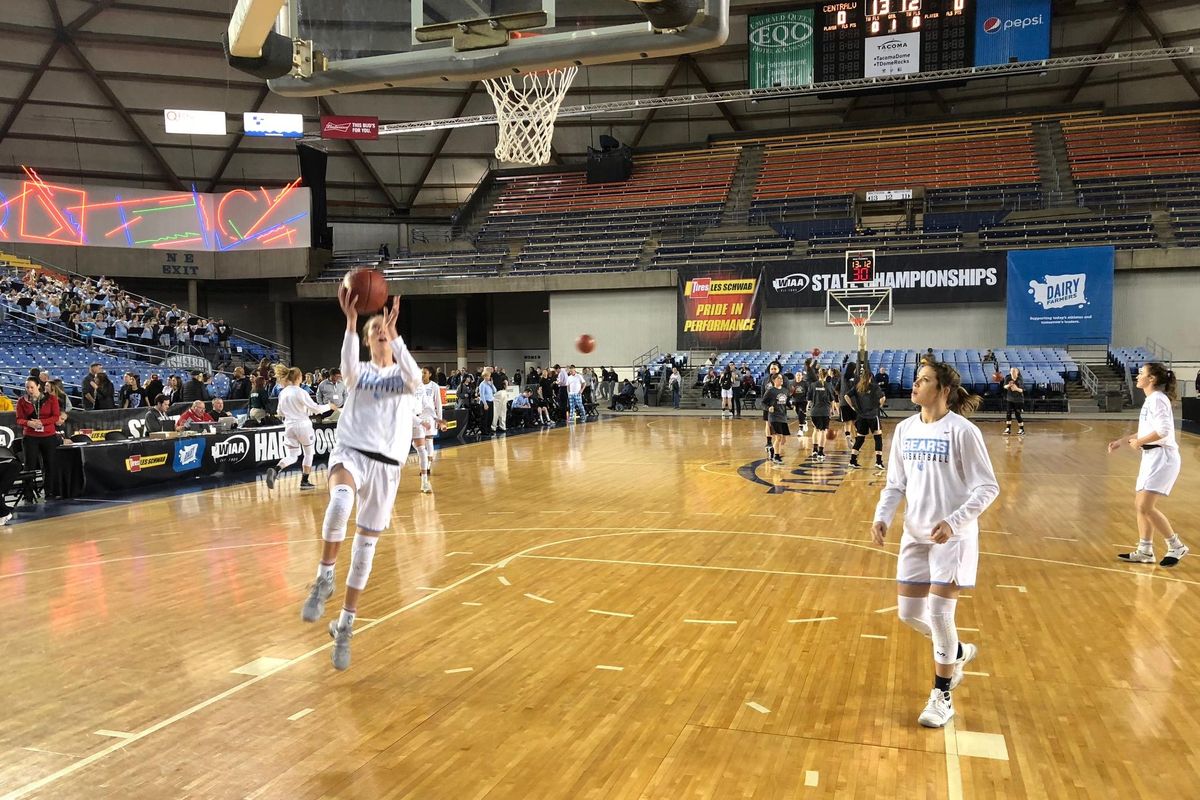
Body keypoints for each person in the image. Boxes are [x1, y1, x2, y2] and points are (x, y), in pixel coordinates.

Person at [871, 362, 999, 729]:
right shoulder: (905, 429)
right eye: (916, 378)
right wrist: (883, 516)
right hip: (915, 536)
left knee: (941, 614)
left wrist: (954, 521)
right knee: (910, 614)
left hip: (952, 539)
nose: (915, 384)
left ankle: (942, 695)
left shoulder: (963, 432)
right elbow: (895, 483)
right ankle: (957, 651)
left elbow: (988, 487)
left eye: (924, 380)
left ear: (943, 390)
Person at [300, 287, 421, 671]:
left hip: (387, 466)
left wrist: (397, 333)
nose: (381, 333)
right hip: (351, 453)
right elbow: (347, 364)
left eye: (385, 330)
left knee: (365, 548)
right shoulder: (359, 373)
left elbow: (415, 377)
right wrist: (352, 323)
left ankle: (346, 624)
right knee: (338, 503)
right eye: (376, 332)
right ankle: (324, 578)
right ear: (368, 341)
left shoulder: (403, 377)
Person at [1110, 363, 1187, 567]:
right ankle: (1145, 550)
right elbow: (1147, 430)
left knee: (1145, 506)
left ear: (1151, 379)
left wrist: (1140, 442)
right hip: (1151, 458)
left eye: (1141, 373)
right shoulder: (1151, 400)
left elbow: (1163, 431)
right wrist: (1123, 440)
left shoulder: (1158, 400)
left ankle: (1176, 545)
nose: (1137, 376)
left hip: (1163, 458)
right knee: (1140, 506)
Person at [265, 365, 335, 491]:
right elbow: (316, 408)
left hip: (289, 426)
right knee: (309, 453)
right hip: (302, 425)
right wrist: (329, 406)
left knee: (292, 456)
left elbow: (279, 412)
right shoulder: (301, 392)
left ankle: (276, 470)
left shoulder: (283, 393)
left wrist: (296, 410)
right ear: (298, 378)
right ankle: (304, 481)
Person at [15, 377, 60, 498]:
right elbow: (19, 419)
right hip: (31, 436)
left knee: (49, 464)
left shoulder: (51, 399)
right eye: (27, 387)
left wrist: (42, 422)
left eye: (32, 387)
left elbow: (56, 416)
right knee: (29, 465)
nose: (29, 390)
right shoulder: (22, 401)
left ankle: (49, 492)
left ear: (38, 386)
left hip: (48, 436)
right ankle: (28, 493)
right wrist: (29, 423)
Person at [412, 367, 447, 493]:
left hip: (420, 419)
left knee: (422, 449)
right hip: (404, 422)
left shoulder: (421, 387)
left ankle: (424, 482)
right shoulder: (402, 387)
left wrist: (438, 419)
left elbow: (427, 405)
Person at [846, 368, 887, 470]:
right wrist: (880, 406)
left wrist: (852, 407)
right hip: (873, 416)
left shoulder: (858, 387)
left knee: (860, 439)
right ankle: (878, 461)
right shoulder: (874, 387)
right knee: (878, 438)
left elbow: (846, 396)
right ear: (870, 377)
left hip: (861, 416)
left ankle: (852, 461)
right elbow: (882, 398)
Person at [762, 373, 791, 465]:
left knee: (783, 440)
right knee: (778, 437)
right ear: (774, 380)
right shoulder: (770, 391)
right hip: (774, 417)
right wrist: (768, 408)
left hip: (783, 417)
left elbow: (786, 402)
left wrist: (792, 406)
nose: (781, 380)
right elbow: (762, 403)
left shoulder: (785, 390)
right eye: (779, 378)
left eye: (781, 378)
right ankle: (776, 456)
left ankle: (772, 449)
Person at [807, 368, 834, 462]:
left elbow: (809, 399)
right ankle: (820, 452)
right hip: (824, 411)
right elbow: (832, 400)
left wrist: (808, 409)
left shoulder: (812, 385)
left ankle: (814, 449)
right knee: (822, 431)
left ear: (818, 375)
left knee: (815, 429)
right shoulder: (828, 385)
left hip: (814, 411)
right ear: (826, 375)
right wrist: (833, 410)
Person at [1003, 367, 1025, 436]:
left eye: (1014, 371)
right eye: (1012, 371)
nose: (1013, 373)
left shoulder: (1020, 379)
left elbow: (1022, 390)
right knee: (1008, 413)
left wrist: (1016, 389)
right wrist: (1008, 385)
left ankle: (1021, 429)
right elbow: (1004, 386)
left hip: (1018, 399)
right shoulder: (1008, 378)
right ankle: (1008, 428)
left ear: (1017, 372)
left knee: (1017, 414)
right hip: (1010, 399)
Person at [478, 369, 496, 435]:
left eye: (489, 376)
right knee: (485, 417)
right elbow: (482, 395)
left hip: (491, 401)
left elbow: (495, 391)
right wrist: (485, 404)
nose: (488, 377)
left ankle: (489, 430)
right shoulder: (482, 384)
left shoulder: (489, 384)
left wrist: (492, 385)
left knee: (490, 417)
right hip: (485, 402)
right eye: (487, 376)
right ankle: (484, 431)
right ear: (484, 377)